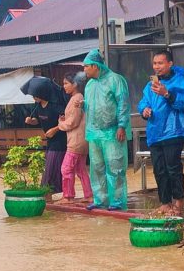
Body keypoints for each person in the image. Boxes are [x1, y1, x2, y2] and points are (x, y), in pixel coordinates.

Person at [137, 48, 184, 212]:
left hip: (174, 131)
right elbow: (143, 102)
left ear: (170, 63)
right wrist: (144, 110)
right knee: (159, 169)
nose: (157, 66)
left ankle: (178, 201)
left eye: (160, 63)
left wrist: (167, 94)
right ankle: (164, 202)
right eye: (155, 63)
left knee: (173, 168)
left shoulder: (181, 82)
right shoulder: (150, 85)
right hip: (155, 132)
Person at [81, 48, 131, 211]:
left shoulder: (116, 80)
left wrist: (122, 126)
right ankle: (100, 199)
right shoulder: (89, 85)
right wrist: (82, 106)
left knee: (115, 166)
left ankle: (116, 201)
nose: (84, 70)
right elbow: (92, 108)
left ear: (95, 66)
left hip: (112, 132)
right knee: (96, 167)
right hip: (94, 133)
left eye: (86, 66)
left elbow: (123, 103)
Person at [22, 76, 67, 194]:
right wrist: (31, 121)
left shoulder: (55, 105)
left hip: (60, 140)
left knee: (51, 167)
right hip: (49, 140)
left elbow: (65, 121)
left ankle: (48, 191)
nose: (33, 97)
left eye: (35, 95)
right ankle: (51, 193)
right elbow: (37, 120)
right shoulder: (36, 106)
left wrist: (55, 129)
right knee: (49, 166)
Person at [55, 72, 92, 204]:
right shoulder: (77, 97)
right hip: (81, 139)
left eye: (66, 83)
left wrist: (60, 124)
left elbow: (73, 122)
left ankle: (68, 196)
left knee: (66, 168)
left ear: (75, 84)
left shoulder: (77, 99)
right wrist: (65, 120)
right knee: (80, 169)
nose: (64, 86)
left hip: (76, 140)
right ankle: (88, 194)